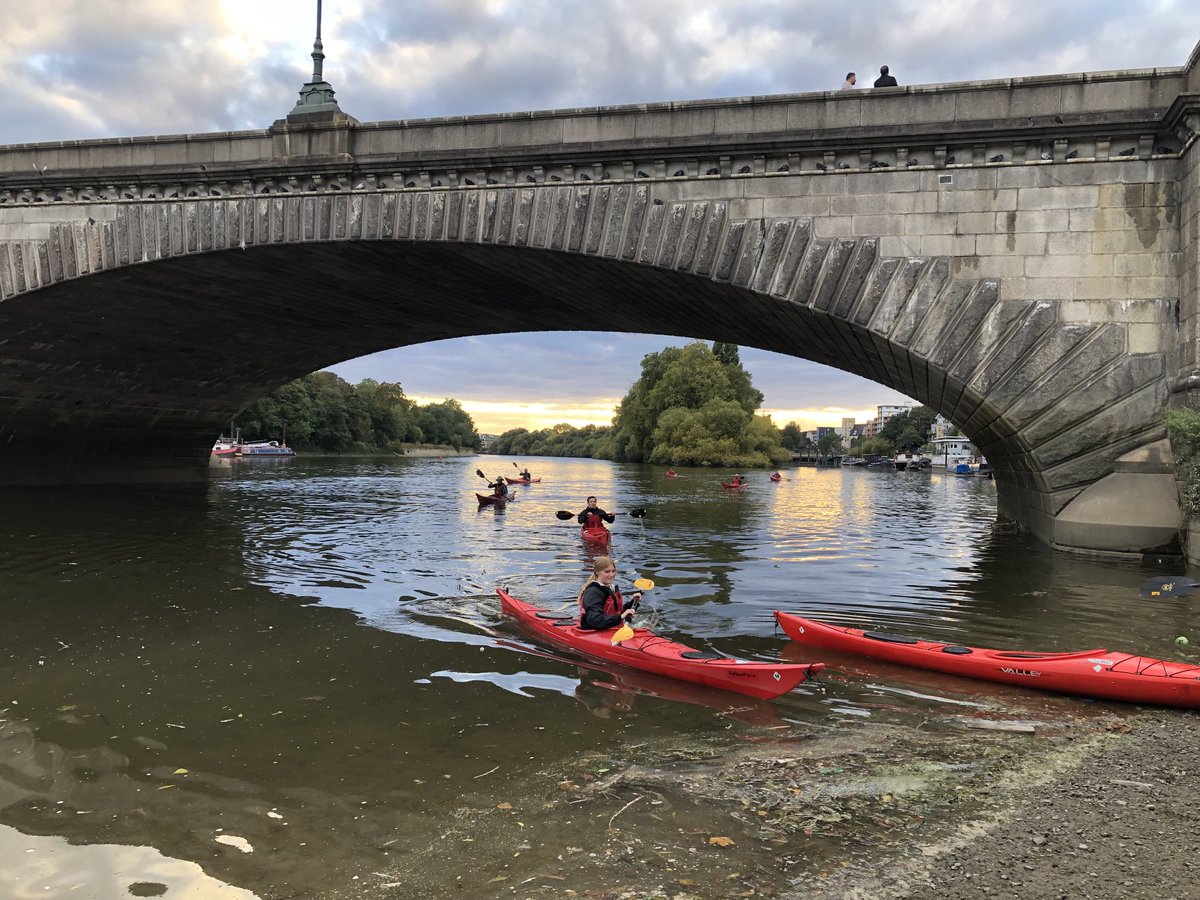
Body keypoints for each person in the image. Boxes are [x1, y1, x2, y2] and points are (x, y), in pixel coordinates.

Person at [577, 555, 643, 631]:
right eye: (607, 571)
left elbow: (616, 611)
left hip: (611, 629)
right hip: (595, 632)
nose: (611, 575)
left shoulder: (609, 588)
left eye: (613, 571)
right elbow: (594, 620)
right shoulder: (593, 592)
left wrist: (634, 602)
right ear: (597, 572)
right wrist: (620, 617)